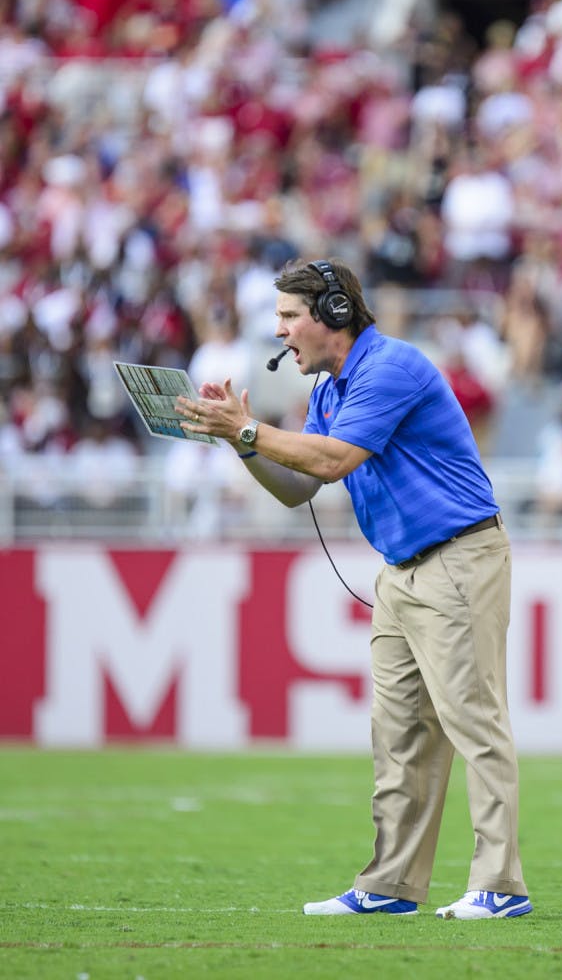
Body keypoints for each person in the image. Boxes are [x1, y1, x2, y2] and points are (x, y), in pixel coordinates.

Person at [175, 257, 532, 921]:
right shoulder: (332, 389)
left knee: (472, 723)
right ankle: (391, 884)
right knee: (398, 735)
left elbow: (333, 460)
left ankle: (500, 886)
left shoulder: (387, 367)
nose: (278, 332)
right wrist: (244, 446)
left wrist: (251, 431)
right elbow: (299, 489)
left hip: (458, 559)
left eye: (288, 316)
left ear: (332, 315)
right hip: (402, 570)